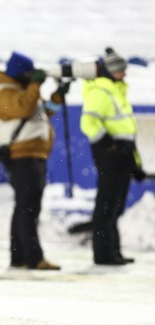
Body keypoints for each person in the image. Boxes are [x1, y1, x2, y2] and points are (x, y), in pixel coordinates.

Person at [0, 51, 63, 270]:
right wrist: (35, 86)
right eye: (29, 73)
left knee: (25, 207)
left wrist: (57, 98)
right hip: (22, 157)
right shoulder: (3, 93)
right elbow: (24, 108)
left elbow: (41, 113)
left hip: (33, 156)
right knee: (28, 208)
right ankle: (33, 258)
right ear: (21, 73)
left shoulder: (22, 91)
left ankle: (19, 256)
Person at [80, 47, 145, 265]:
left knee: (115, 206)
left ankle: (113, 251)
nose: (124, 74)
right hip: (111, 156)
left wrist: (135, 164)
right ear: (108, 71)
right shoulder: (101, 91)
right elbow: (87, 123)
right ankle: (103, 254)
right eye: (119, 70)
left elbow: (127, 130)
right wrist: (108, 144)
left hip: (123, 155)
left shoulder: (117, 91)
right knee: (106, 206)